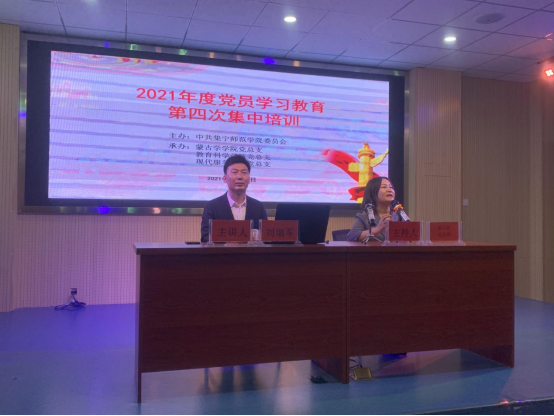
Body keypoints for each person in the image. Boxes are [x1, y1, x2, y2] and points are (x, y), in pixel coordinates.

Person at [201, 154, 268, 242]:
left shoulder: (258, 207)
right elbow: (205, 237)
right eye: (234, 172)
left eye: (244, 172)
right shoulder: (212, 207)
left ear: (249, 179)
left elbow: (266, 238)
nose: (239, 177)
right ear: (224, 178)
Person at [347, 177, 400, 243]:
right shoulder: (364, 217)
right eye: (384, 187)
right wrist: (377, 229)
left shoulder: (399, 215)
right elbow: (352, 236)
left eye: (391, 187)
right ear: (373, 193)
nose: (389, 190)